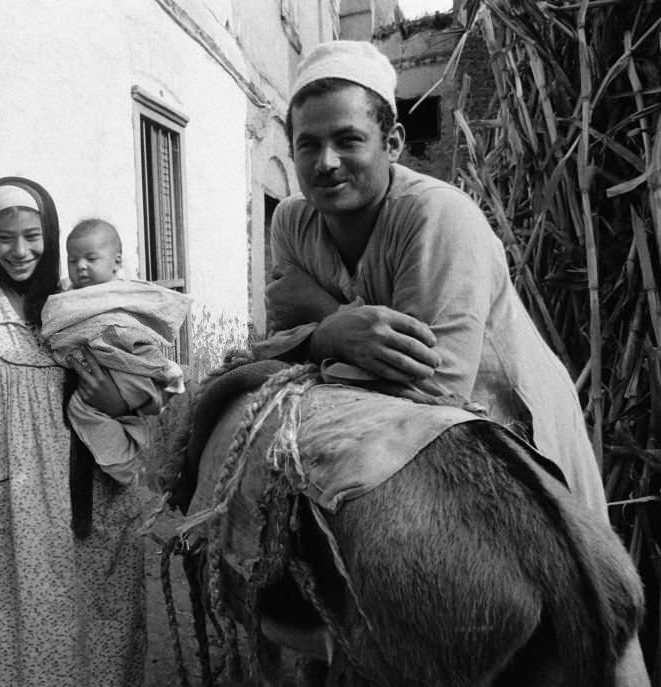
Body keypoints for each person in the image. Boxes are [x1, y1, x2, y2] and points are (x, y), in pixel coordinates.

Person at [262, 39, 648, 684]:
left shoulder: (440, 218)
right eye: (308, 143)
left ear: (394, 142)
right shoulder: (293, 223)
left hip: (502, 420)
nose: (326, 162)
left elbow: (435, 384)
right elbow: (284, 321)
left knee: (568, 609)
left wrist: (321, 326)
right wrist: (335, 331)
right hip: (395, 438)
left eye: (349, 139)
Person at [0, 179, 147, 686]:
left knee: (101, 635)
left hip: (94, 505)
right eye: (5, 238)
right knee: (20, 636)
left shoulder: (82, 307)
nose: (20, 251)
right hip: (13, 510)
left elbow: (142, 387)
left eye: (33, 235)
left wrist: (115, 399)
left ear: (50, 233)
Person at [41, 218, 191, 487]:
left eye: (91, 258)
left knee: (79, 408)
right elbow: (60, 318)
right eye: (73, 260)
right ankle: (140, 444)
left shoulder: (125, 291)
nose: (81, 267)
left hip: (132, 368)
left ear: (116, 261)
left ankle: (124, 464)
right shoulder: (72, 297)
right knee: (136, 415)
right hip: (124, 378)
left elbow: (142, 319)